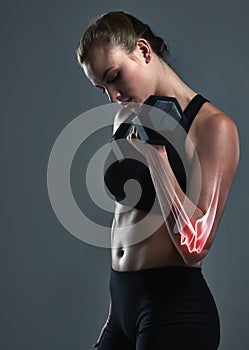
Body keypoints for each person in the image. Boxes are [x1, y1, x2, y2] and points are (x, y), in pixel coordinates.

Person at [76, 11, 239, 350]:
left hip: (174, 311)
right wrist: (114, 316)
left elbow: (195, 248)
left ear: (144, 51)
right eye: (102, 88)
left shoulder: (213, 127)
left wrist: (157, 154)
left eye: (115, 77)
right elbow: (126, 219)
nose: (113, 97)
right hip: (121, 309)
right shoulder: (126, 115)